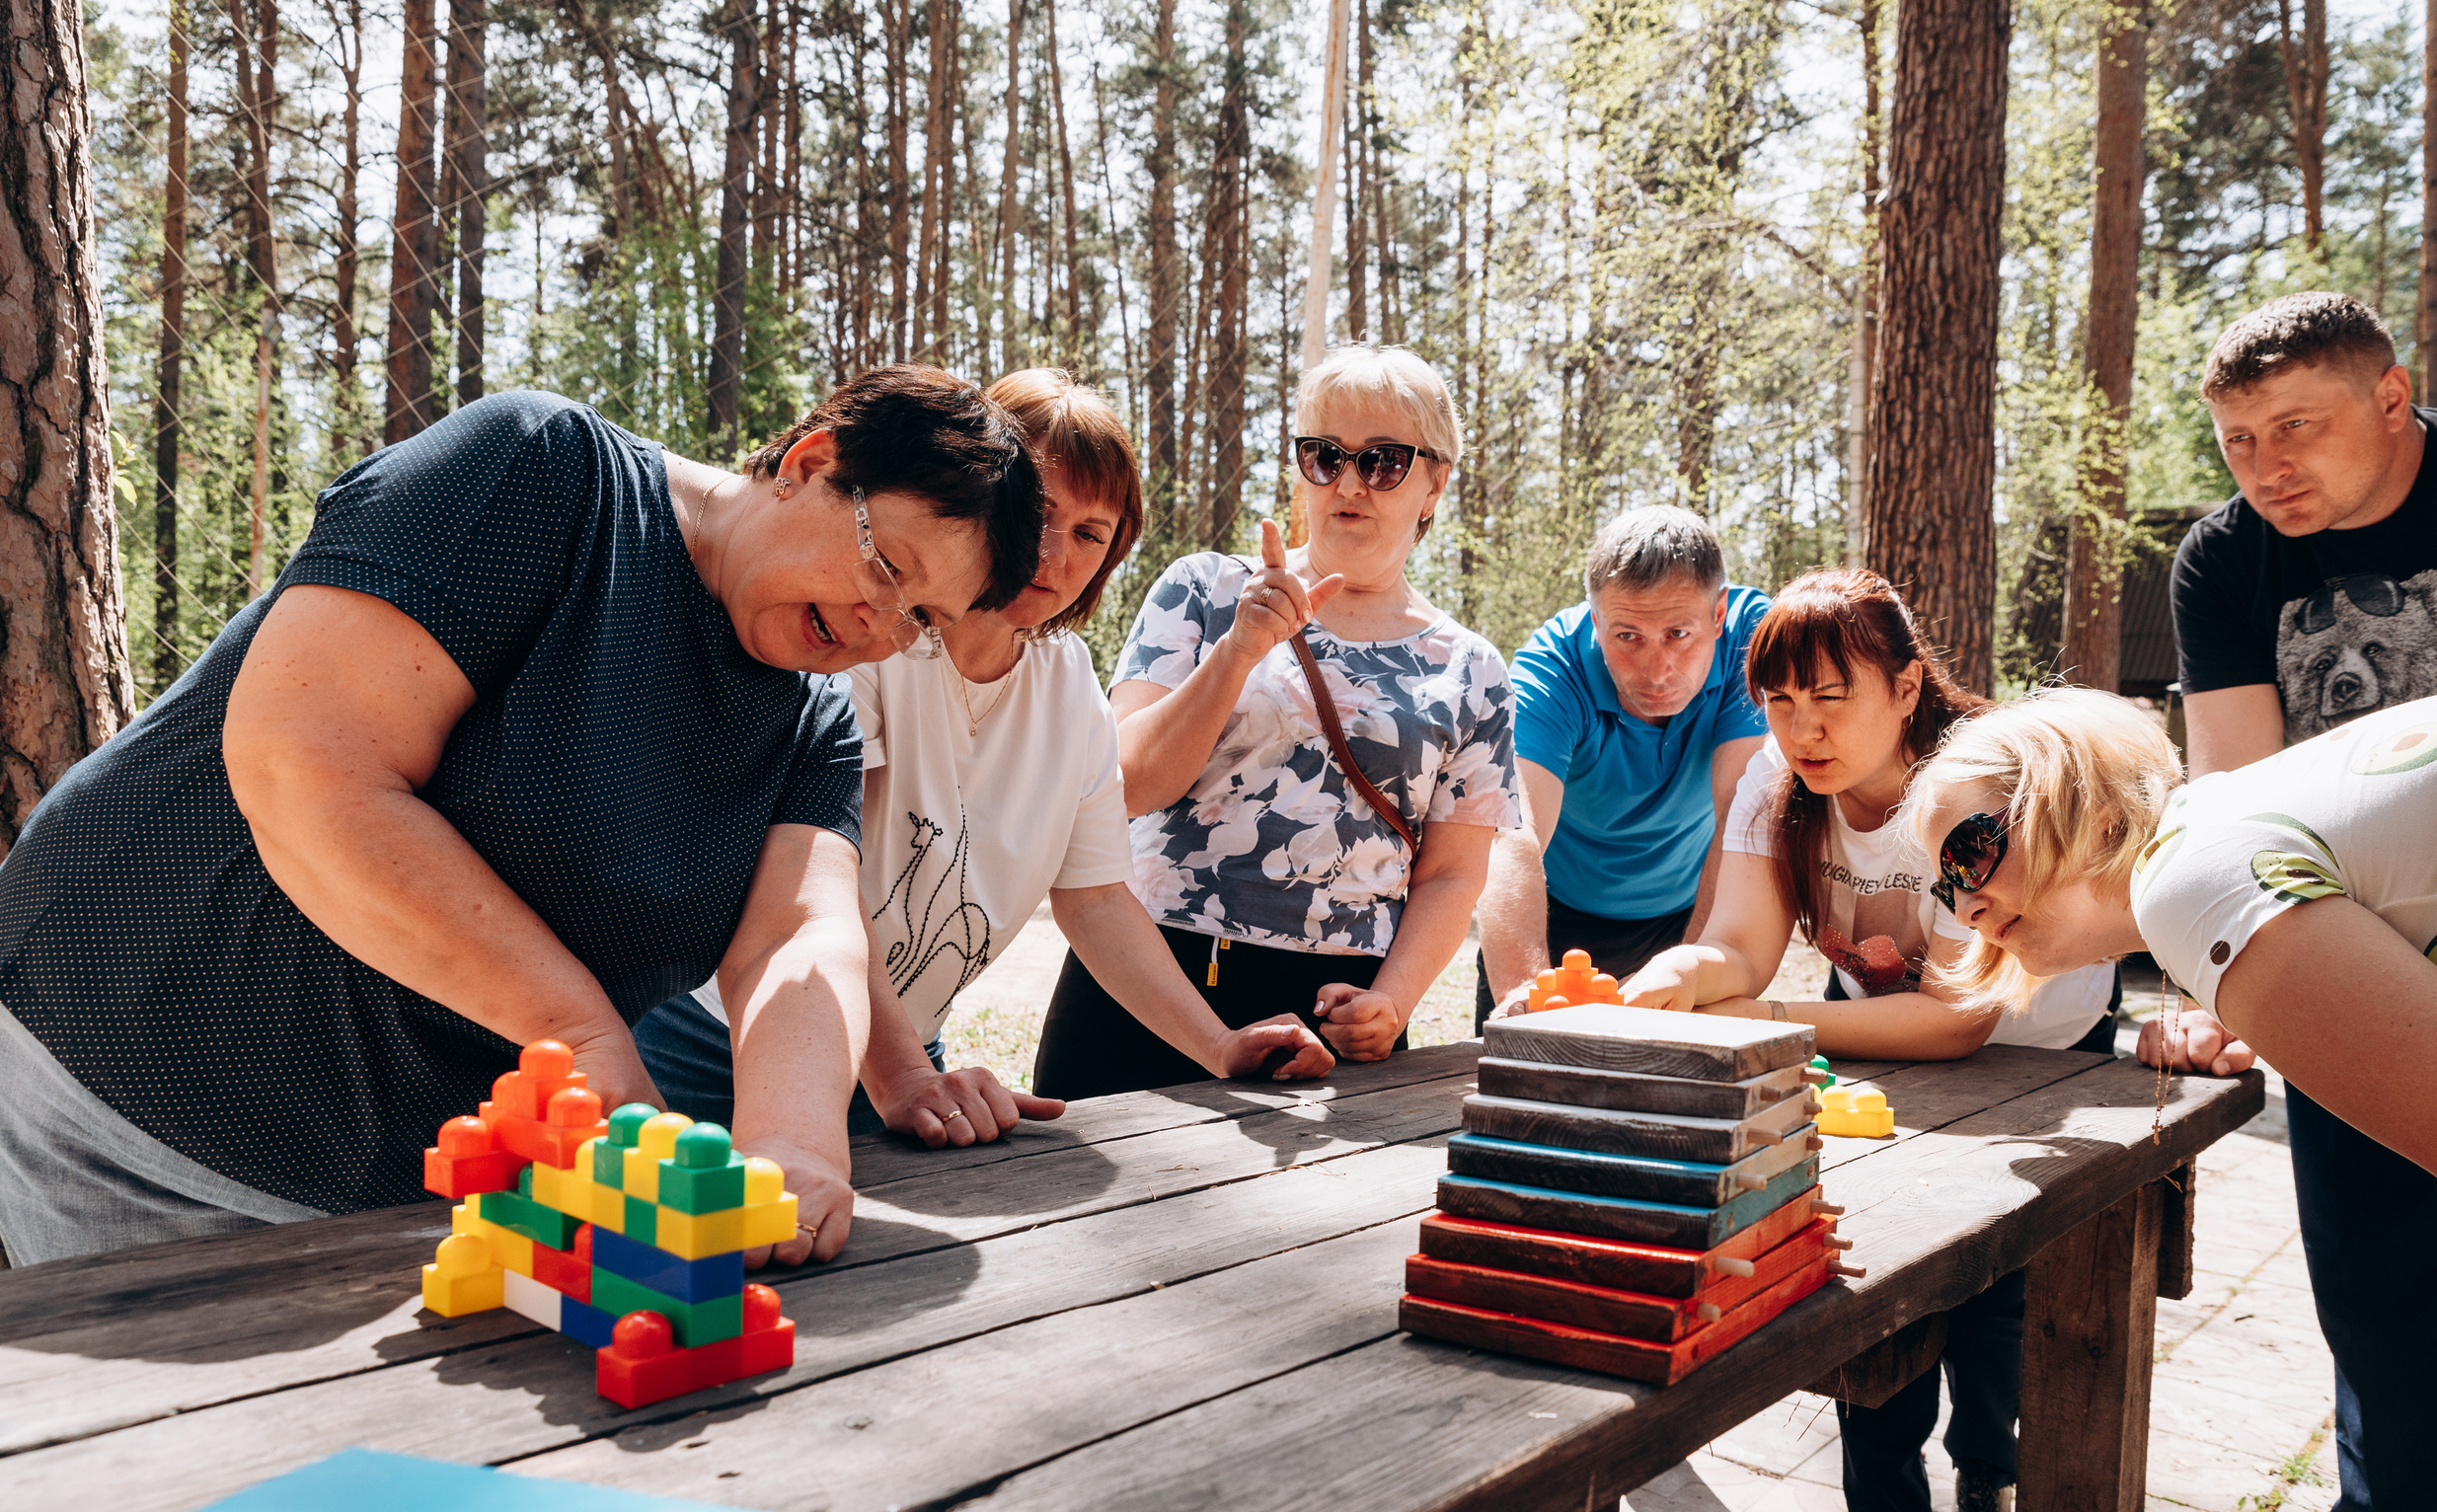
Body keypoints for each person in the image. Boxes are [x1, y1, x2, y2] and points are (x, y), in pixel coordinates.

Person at [0, 368, 1040, 1269]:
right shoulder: (541, 472)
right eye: (888, 568)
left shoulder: (811, 727)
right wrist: (579, 1032)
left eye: (920, 623)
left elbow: (798, 940)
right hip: (125, 1081)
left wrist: (794, 1151)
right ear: (810, 461)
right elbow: (307, 767)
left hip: (408, 1188)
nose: (878, 626)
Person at [1905, 683, 2437, 1512]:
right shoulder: (2216, 842)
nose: (1965, 899)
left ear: (2079, 797)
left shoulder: (2190, 879)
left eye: (1971, 849)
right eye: (1941, 886)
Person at [636, 370, 1334, 1138]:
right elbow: (815, 885)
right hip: (721, 1041)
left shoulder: (1069, 684)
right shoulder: (865, 637)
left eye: (1091, 535)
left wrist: (1220, 1046)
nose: (1052, 553)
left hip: (905, 1060)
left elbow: (1096, 898)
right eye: (1036, 509)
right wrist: (904, 1073)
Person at [1623, 569, 2117, 1512]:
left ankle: (1989, 1483)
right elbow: (1741, 948)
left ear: (1904, 686)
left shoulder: (1969, 784)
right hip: (1885, 1046)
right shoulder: (1774, 781)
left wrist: (1758, 1021)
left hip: (2042, 1054)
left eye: (1830, 695)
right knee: (1871, 1272)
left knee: (2000, 1291)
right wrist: (1677, 980)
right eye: (1780, 700)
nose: (1802, 727)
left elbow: (1957, 1016)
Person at [2165, 292, 2437, 1512]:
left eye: (2295, 429)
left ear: (2393, 398)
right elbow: (2234, 792)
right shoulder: (2225, 561)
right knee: (2372, 1278)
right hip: (2337, 945)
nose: (2265, 468)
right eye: (2240, 440)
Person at [1030, 344, 1519, 1097]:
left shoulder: (1473, 668)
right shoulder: (1203, 590)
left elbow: (1454, 872)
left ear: (1436, 482)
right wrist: (1240, 650)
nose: (1349, 482)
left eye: (1383, 461)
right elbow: (1125, 783)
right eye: (1324, 456)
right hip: (1149, 981)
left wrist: (1393, 1001)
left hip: (1341, 1013)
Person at [1472, 506, 1770, 1028]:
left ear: (1718, 616)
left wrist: (1689, 968)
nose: (1658, 672)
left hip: (1691, 912)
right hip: (1551, 912)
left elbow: (1738, 818)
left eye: (1679, 634)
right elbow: (1512, 835)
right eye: (1627, 636)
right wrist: (1527, 995)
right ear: (1595, 620)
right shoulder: (1551, 670)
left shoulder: (1753, 639)